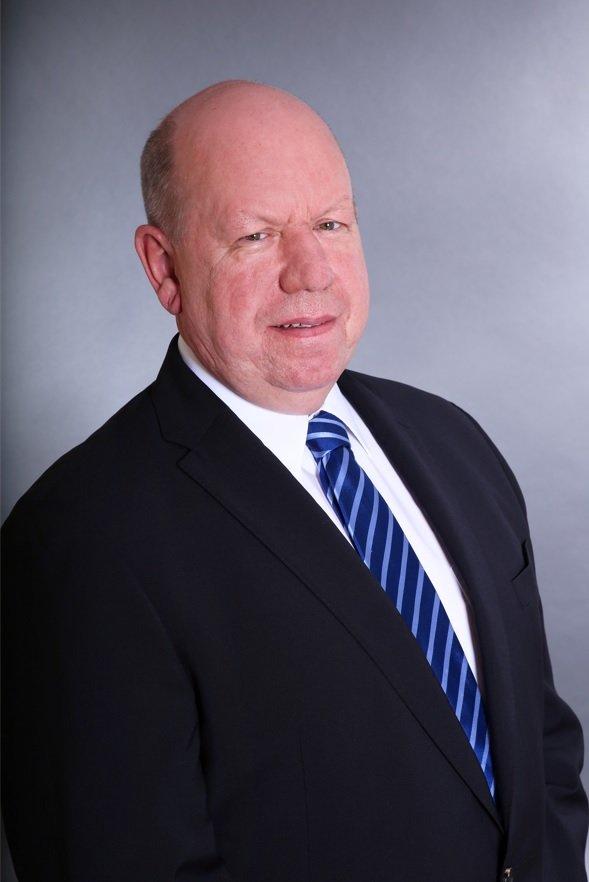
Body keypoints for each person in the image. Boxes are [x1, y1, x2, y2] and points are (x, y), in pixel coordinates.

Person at [2, 80, 587, 882]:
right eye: (254, 236)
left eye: (330, 224)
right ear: (164, 267)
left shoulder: (452, 442)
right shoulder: (79, 539)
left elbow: (540, 749)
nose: (309, 273)